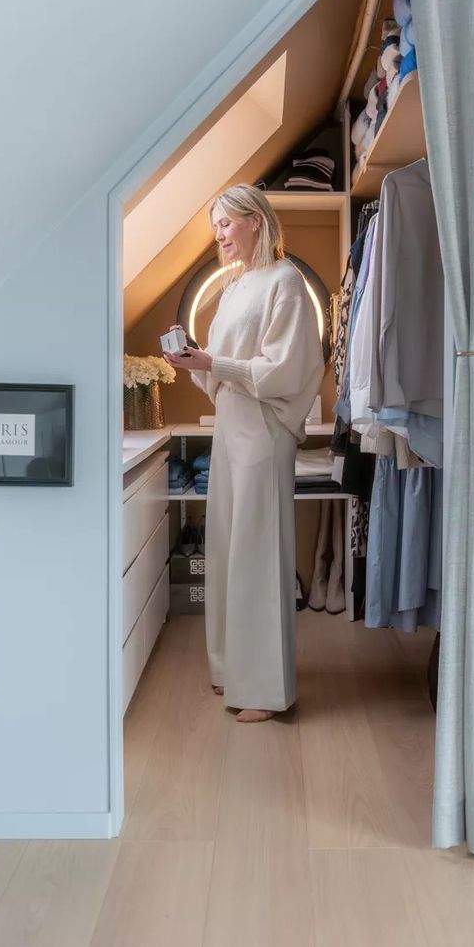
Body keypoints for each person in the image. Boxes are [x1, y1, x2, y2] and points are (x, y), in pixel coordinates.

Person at [163, 184, 323, 722]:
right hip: (231, 425)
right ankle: (231, 668)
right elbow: (225, 368)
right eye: (216, 228)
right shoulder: (233, 289)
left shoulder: (286, 283)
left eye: (227, 224)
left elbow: (286, 370)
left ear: (256, 220)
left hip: (263, 430)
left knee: (258, 552)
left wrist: (214, 363)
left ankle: (264, 690)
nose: (220, 236)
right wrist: (198, 364)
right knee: (229, 544)